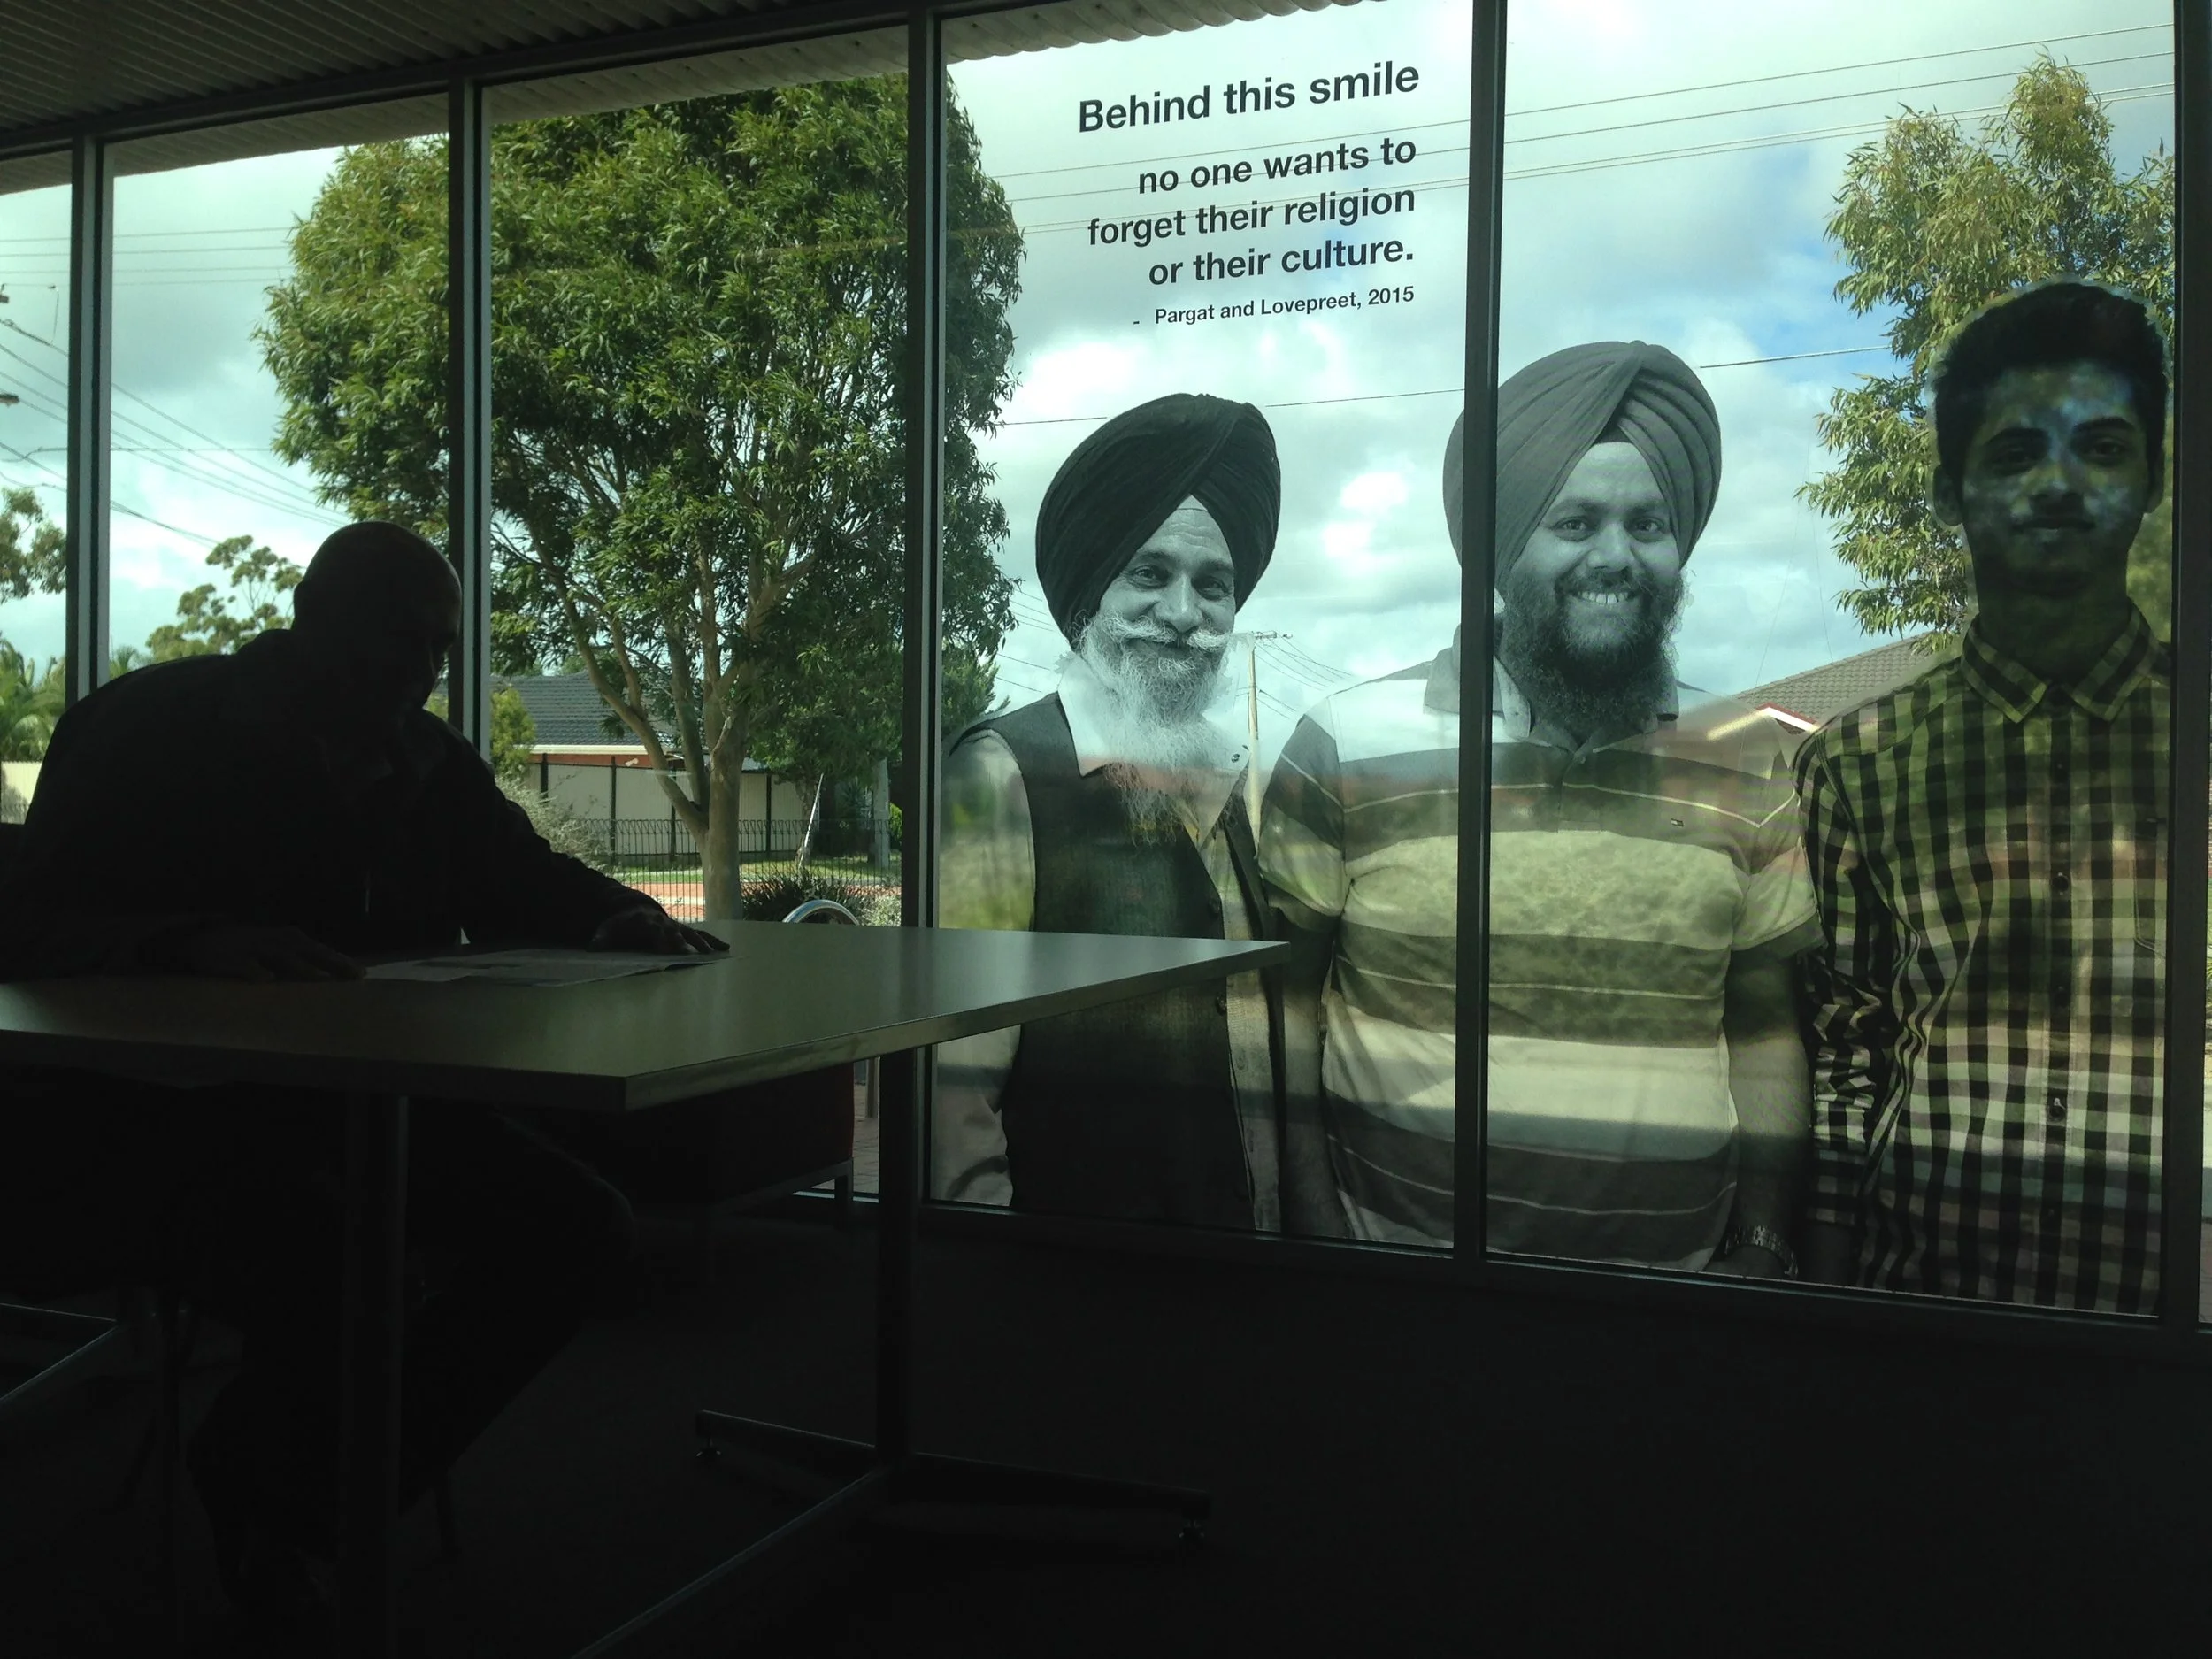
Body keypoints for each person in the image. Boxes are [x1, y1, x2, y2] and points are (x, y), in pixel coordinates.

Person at [0, 520, 723, 1641]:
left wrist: (611, 913)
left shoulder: (423, 758)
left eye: (435, 648)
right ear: (310, 618)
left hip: (361, 1105)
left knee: (580, 1233)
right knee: (343, 1273)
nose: (421, 671)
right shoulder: (148, 731)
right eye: (399, 640)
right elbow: (26, 922)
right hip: (147, 1115)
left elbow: (515, 873)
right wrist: (188, 940)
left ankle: (282, 1489)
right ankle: (292, 1509)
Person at [1263, 344, 1817, 1272]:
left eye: (1648, 522)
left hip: (1673, 1302)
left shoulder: (1745, 757)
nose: (1616, 556)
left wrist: (1761, 1241)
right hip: (1396, 1284)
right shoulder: (1344, 743)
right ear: (1502, 542)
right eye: (1573, 521)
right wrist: (1314, 1221)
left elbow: (1764, 1026)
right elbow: (1283, 1005)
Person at [1796, 281, 2170, 1311]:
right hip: (1923, 1315)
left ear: (2154, 474)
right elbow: (1847, 1048)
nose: (2057, 484)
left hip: (2172, 1328)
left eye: (2099, 446)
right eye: (2014, 453)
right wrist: (1825, 1319)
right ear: (1950, 490)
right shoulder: (1856, 763)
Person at [931, 391, 1284, 1230]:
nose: (1184, 615)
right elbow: (954, 1079)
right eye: (1150, 574)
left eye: (1214, 584)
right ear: (1094, 589)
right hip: (1072, 1284)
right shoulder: (1004, 772)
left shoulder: (1227, 773)